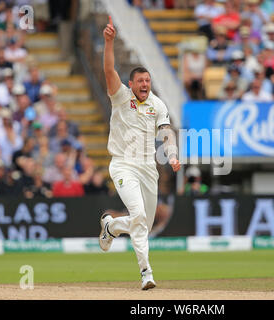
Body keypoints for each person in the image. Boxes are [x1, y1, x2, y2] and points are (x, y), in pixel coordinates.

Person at [101, 17, 181, 290]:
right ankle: (146, 272)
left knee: (143, 226)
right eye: (140, 81)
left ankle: (111, 227)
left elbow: (167, 131)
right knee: (138, 215)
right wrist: (109, 42)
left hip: (149, 168)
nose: (145, 84)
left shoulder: (157, 104)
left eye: (148, 80)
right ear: (131, 83)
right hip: (123, 165)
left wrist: (171, 154)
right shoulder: (121, 96)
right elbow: (109, 69)